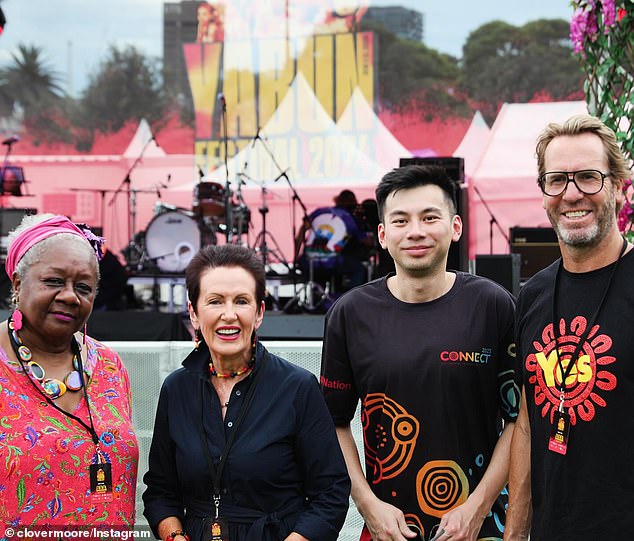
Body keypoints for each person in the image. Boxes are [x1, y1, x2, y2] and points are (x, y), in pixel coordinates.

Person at [321, 165, 519, 541]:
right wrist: (367, 505)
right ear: (382, 234)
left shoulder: (493, 306)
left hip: (481, 525)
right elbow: (334, 422)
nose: (416, 231)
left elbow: (518, 419)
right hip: (389, 529)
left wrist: (477, 505)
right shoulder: (350, 315)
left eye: (430, 217)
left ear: (455, 227)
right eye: (400, 220)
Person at [143, 244, 350, 541]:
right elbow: (161, 491)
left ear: (259, 313)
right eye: (215, 302)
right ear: (194, 314)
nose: (229, 315)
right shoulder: (176, 389)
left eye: (241, 301)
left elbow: (331, 494)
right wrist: (174, 536)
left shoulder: (297, 387)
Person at [504, 115, 634, 540]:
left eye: (588, 177)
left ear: (618, 185)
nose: (572, 194)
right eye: (557, 180)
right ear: (543, 193)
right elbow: (526, 423)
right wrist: (515, 533)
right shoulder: (533, 295)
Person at [0, 214, 138, 527]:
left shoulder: (110, 366)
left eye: (84, 287)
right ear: (18, 284)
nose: (69, 296)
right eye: (54, 281)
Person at [295, 189, 373, 295]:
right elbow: (367, 242)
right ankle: (350, 300)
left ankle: (318, 297)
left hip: (308, 262)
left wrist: (296, 258)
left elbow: (301, 232)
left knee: (326, 267)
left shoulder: (318, 212)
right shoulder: (350, 218)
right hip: (331, 264)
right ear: (353, 204)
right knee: (358, 268)